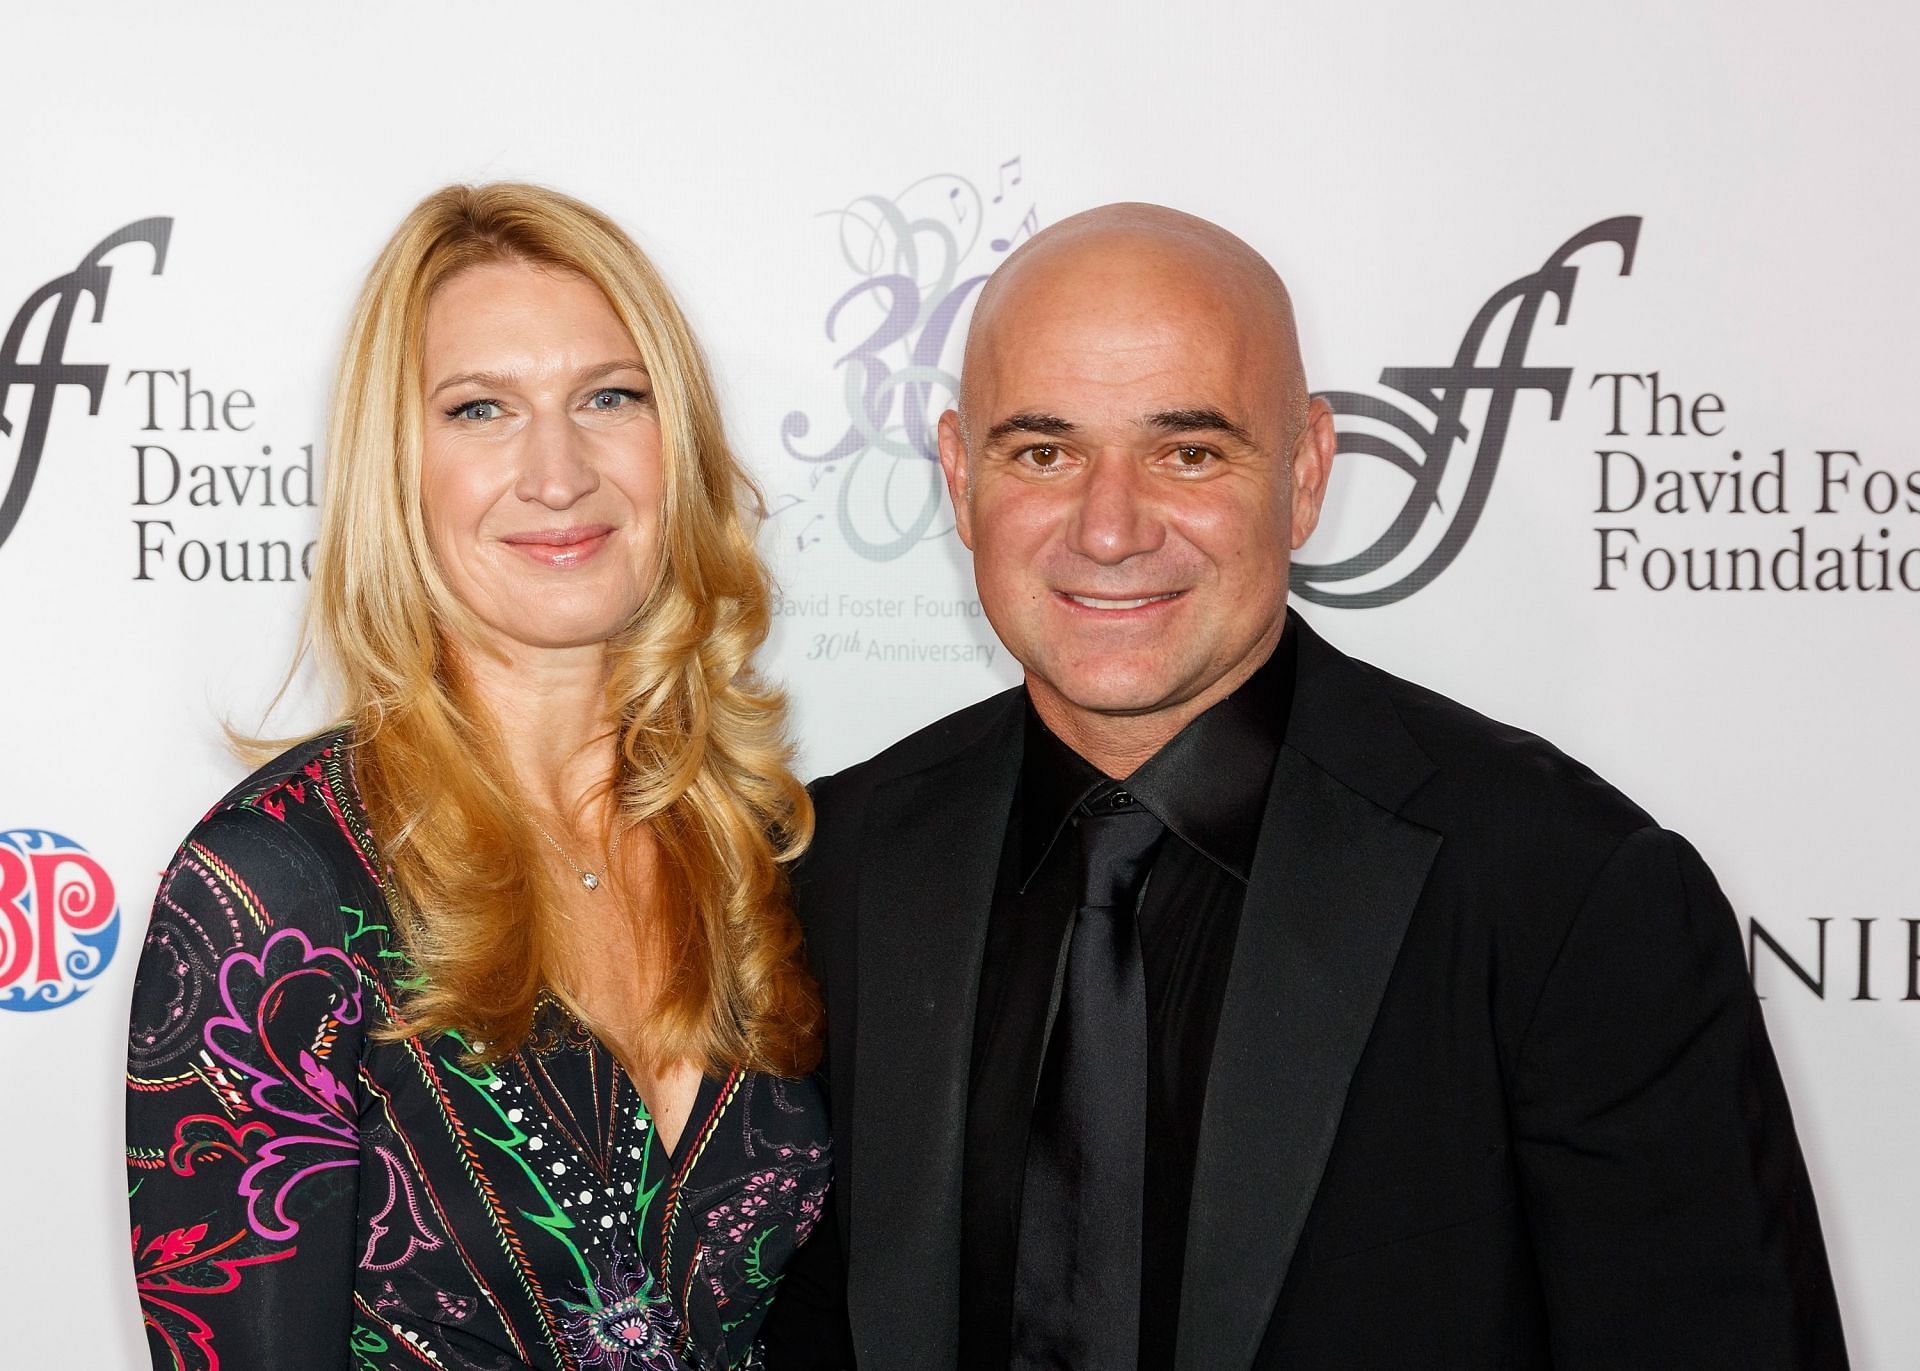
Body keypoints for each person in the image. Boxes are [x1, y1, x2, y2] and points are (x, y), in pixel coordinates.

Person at [768, 204, 1847, 1369]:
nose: (1111, 526)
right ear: (957, 475)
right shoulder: (839, 867)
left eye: (1189, 451)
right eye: (1045, 451)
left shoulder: (1566, 893)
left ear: (1306, 473)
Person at [125, 183, 831, 1371]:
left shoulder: (749, 839)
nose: (557, 473)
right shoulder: (272, 890)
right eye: (481, 410)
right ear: (396, 470)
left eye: (611, 397)